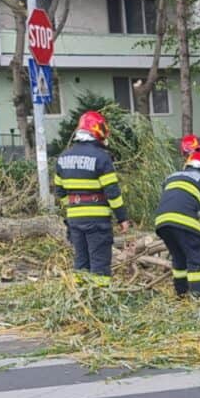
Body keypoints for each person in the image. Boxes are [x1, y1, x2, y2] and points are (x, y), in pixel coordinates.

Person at [53, 110, 131, 285]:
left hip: (74, 220)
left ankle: (81, 298)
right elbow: (112, 192)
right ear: (97, 130)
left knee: (81, 263)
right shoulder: (101, 157)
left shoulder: (63, 158)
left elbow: (60, 192)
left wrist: (73, 209)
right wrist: (122, 218)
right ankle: (100, 299)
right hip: (97, 220)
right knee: (100, 264)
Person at [154, 147, 200, 296]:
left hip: (162, 221)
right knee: (195, 257)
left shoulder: (171, 176)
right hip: (183, 220)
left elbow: (175, 198)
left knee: (178, 257)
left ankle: (181, 292)